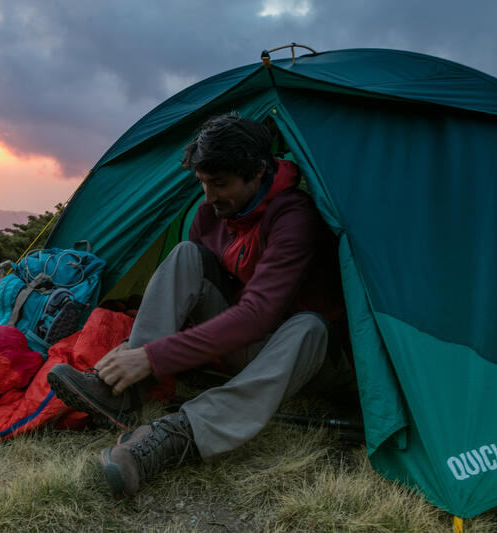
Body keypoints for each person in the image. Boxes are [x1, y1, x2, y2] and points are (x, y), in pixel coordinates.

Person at [47, 113, 350, 497]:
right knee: (186, 254)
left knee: (308, 325)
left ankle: (180, 435)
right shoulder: (210, 215)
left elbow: (258, 315)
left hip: (316, 358)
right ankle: (124, 393)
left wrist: (155, 357)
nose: (208, 197)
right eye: (203, 183)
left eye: (220, 184)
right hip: (252, 350)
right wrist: (140, 349)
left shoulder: (294, 217)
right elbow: (196, 302)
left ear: (257, 172)